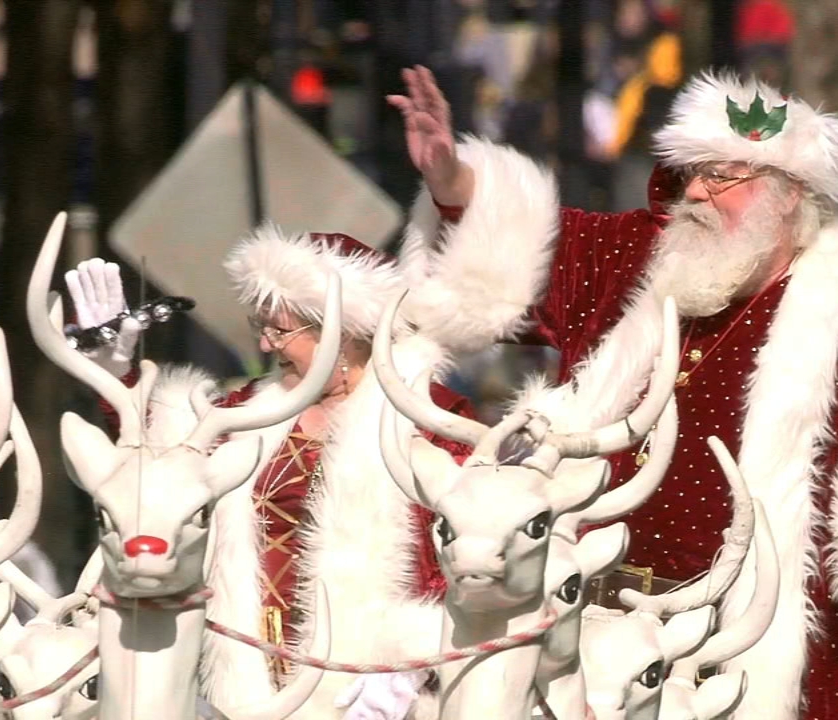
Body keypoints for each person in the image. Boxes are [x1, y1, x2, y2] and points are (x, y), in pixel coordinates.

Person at [389, 67, 838, 719]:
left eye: (721, 175)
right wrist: (451, 177)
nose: (694, 191)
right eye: (690, 172)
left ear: (789, 196)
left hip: (744, 650)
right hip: (586, 641)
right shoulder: (637, 257)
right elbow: (520, 259)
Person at [64, 159, 556, 718]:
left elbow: (484, 542)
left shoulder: (429, 418)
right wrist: (114, 376)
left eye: (283, 329)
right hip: (244, 686)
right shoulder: (245, 412)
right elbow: (159, 469)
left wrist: (415, 659)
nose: (268, 345)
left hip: (371, 694)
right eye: (261, 327)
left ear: (344, 330)